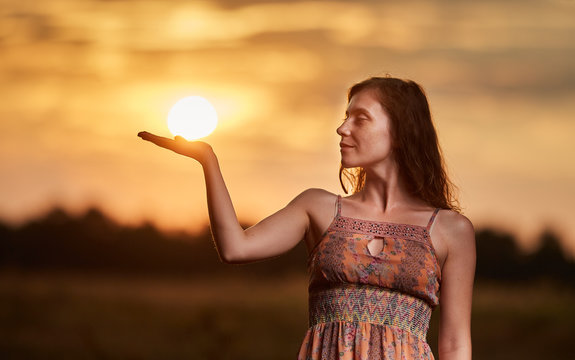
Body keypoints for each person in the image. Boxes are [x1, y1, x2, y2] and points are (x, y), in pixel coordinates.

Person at [137, 76, 476, 360]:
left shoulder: (451, 230)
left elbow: (455, 344)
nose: (342, 128)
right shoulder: (318, 207)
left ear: (401, 131)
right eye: (345, 117)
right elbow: (234, 247)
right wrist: (208, 161)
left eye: (360, 118)